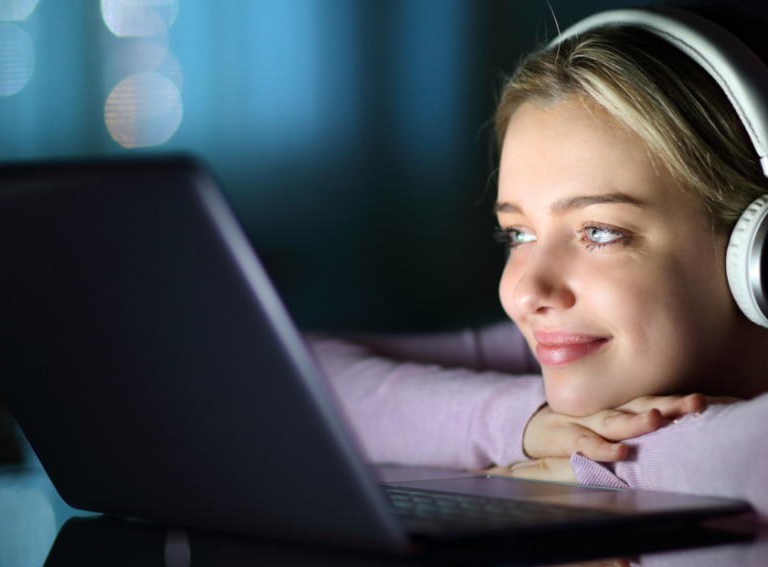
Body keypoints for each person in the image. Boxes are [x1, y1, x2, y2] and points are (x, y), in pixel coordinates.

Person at [308, 12, 768, 519]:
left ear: (754, 251)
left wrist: (610, 468)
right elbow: (300, 377)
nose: (529, 294)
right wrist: (527, 424)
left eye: (599, 232)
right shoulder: (588, 353)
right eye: (518, 234)